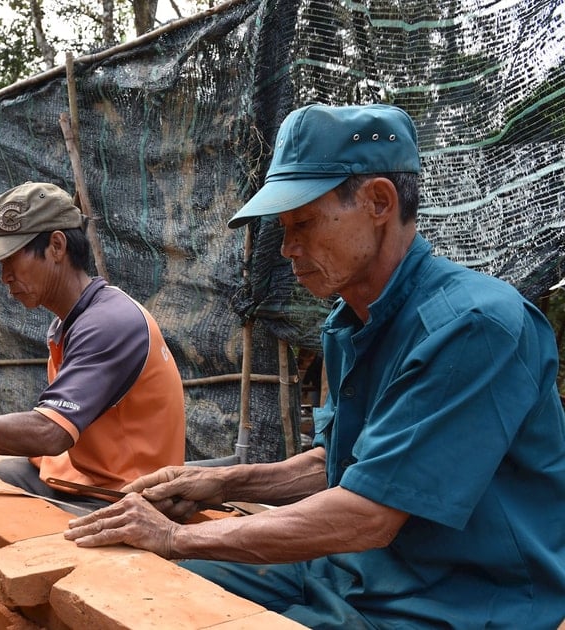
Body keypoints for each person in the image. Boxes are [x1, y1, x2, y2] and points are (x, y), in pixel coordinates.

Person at [64, 104, 565, 628]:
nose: (287, 248)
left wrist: (173, 536)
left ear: (378, 201)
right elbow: (344, 466)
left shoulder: (474, 328)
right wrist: (225, 484)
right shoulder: (350, 323)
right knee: (133, 584)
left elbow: (366, 513)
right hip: (351, 573)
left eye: (302, 222)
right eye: (283, 228)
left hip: (451, 604)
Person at [0, 182, 186, 516]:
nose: (5, 276)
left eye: (11, 259)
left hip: (123, 497)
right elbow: (69, 426)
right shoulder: (69, 322)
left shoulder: (109, 323)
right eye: (0, 264)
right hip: (80, 477)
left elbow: (50, 433)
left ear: (56, 246)